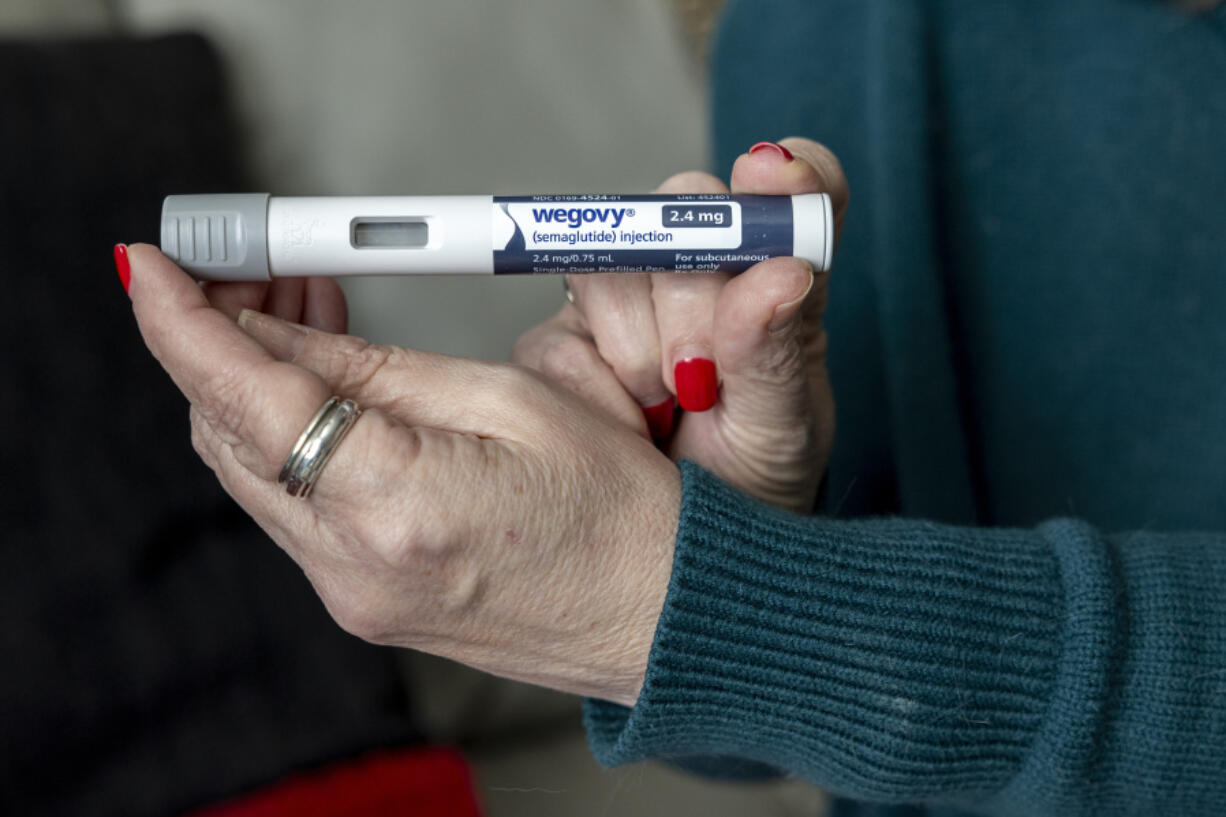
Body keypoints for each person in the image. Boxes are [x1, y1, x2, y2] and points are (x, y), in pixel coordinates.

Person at [117, 1, 1226, 815]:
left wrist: (685, 604)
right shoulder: (800, 29)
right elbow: (802, 732)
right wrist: (729, 526)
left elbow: (826, 640)